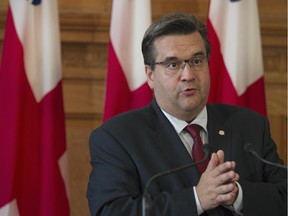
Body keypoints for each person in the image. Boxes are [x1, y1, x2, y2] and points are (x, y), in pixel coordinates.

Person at [87, 12, 287, 216]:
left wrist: (237, 195)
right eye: (173, 65)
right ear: (150, 75)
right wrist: (196, 199)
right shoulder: (117, 138)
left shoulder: (249, 125)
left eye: (197, 61)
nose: (188, 75)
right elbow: (111, 211)